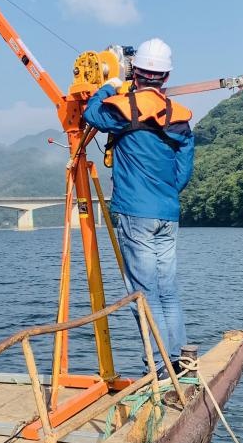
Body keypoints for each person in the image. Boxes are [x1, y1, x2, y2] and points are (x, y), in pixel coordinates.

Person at [82, 38, 195, 373]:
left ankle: (160, 365)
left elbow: (91, 112)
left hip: (135, 211)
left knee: (143, 293)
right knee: (167, 291)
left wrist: (111, 84)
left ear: (137, 71)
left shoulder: (123, 108)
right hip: (167, 213)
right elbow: (182, 173)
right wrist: (163, 194)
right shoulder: (180, 119)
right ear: (166, 76)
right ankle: (179, 358)